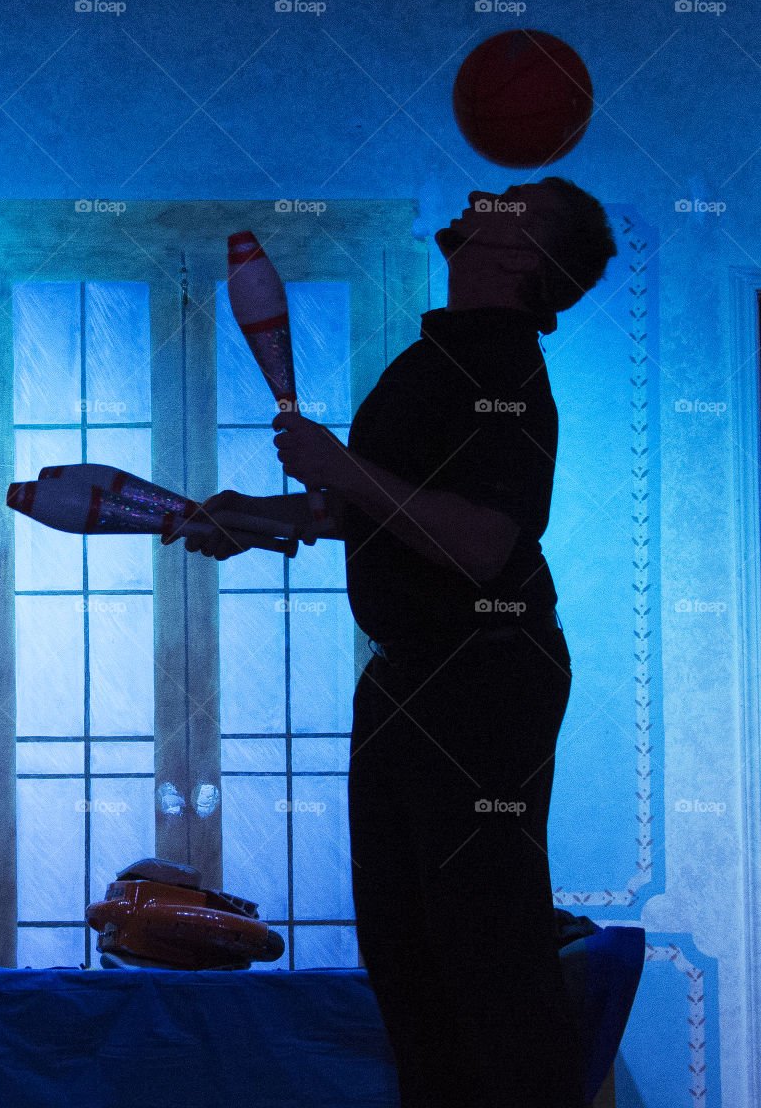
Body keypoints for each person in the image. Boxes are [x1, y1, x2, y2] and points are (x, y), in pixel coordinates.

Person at [164, 177, 618, 1108]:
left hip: (484, 679)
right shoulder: (445, 356)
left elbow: (486, 543)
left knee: (482, 949)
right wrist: (272, 515)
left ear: (524, 255)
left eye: (512, 200)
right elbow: (397, 509)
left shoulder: (504, 374)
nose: (483, 192)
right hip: (412, 681)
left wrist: (339, 468)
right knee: (407, 950)